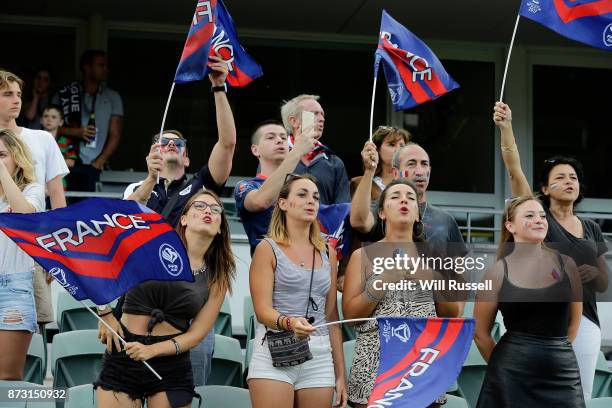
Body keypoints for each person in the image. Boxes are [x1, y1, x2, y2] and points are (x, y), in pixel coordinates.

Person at [121, 55, 234, 386]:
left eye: (177, 144)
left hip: (189, 301)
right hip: (142, 299)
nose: (169, 146)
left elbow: (227, 143)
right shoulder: (139, 188)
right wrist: (148, 178)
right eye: (161, 143)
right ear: (151, 153)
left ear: (186, 155)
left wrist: (218, 86)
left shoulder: (201, 185)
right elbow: (122, 224)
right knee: (129, 387)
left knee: (186, 388)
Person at [493, 102, 608, 400]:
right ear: (543, 189)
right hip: (540, 320)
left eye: (573, 178)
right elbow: (513, 168)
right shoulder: (538, 220)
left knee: (574, 395)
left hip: (584, 320)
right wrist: (506, 128)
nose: (568, 182)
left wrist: (594, 272)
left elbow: (604, 283)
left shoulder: (592, 228)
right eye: (559, 177)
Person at [94, 191, 235, 407]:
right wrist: (104, 313)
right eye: (200, 206)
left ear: (220, 228)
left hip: (172, 363)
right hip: (125, 350)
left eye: (216, 210)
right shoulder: (151, 244)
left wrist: (152, 350)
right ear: (184, 219)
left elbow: (196, 334)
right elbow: (100, 261)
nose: (208, 211)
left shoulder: (218, 276)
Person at [342, 179, 461, 407]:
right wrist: (383, 281)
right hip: (375, 366)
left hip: (422, 365)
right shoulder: (363, 256)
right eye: (395, 196)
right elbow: (350, 317)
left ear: (418, 215)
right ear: (383, 213)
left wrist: (434, 281)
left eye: (410, 197)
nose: (404, 200)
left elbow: (451, 313)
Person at [474, 196, 584, 407]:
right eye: (530, 215)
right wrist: (503, 367)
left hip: (561, 373)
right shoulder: (496, 272)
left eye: (542, 216)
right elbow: (480, 333)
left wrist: (552, 354)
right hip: (511, 374)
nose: (539, 220)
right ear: (510, 225)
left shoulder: (568, 265)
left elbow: (574, 325)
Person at [248, 174, 347, 408]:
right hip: (274, 348)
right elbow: (262, 311)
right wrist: (291, 322)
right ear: (283, 204)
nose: (311, 201)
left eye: (315, 197)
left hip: (319, 353)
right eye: (302, 194)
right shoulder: (267, 248)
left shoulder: (328, 253)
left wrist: (341, 374)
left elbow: (332, 316)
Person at [350, 141, 467, 259]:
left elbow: (459, 271)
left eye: (424, 164)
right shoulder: (384, 210)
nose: (420, 172)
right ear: (395, 173)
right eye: (411, 164)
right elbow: (359, 221)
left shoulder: (446, 220)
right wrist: (369, 171)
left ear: (429, 171)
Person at [0, 128, 45, 380]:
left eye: (2, 155)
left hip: (14, 288)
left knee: (6, 378)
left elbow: (24, 216)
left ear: (17, 158)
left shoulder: (33, 190)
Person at [234, 119, 317, 254]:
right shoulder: (246, 186)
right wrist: (296, 153)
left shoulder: (304, 186)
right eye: (271, 137)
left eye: (283, 137)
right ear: (255, 150)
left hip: (306, 265)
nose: (279, 140)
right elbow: (261, 201)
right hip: (269, 267)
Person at [53, 49, 123, 192]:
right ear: (87, 67)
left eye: (106, 66)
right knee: (63, 209)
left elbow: (115, 134)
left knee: (88, 211)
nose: (106, 69)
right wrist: (76, 132)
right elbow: (48, 127)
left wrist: (99, 163)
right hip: (65, 161)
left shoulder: (112, 97)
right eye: (100, 65)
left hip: (94, 165)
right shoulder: (66, 93)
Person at [0, 70, 68, 209]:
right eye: (8, 94)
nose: (16, 100)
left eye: (18, 94)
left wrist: (61, 229)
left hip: (33, 227)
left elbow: (56, 195)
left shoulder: (44, 139)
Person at [280, 94, 350, 205]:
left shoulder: (335, 162)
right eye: (315, 113)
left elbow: (341, 210)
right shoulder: (276, 156)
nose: (322, 119)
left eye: (322, 114)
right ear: (294, 121)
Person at [349, 126, 410, 200]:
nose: (398, 150)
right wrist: (370, 169)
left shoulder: (411, 182)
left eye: (402, 146)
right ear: (377, 150)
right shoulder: (357, 183)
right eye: (391, 144)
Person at [41, 105, 78, 170]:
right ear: (41, 120)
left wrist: (50, 163)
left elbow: (71, 162)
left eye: (54, 117)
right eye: (46, 116)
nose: (49, 119)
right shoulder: (34, 139)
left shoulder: (66, 141)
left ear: (61, 122)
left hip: (59, 178)